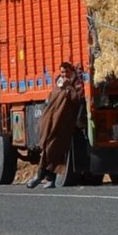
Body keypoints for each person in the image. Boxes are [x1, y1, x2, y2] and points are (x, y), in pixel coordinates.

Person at [26, 61, 86, 189]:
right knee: (48, 148)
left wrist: (69, 87)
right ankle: (49, 178)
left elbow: (76, 100)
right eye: (62, 72)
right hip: (51, 122)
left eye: (67, 72)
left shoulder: (76, 85)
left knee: (53, 150)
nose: (64, 75)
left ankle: (40, 176)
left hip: (63, 124)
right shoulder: (58, 84)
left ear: (72, 72)